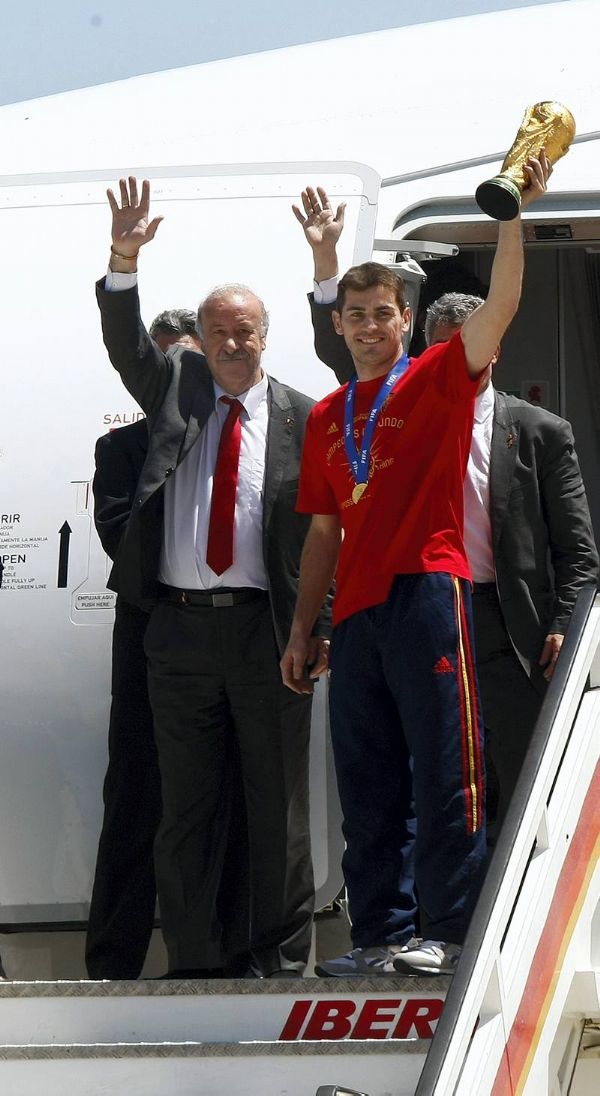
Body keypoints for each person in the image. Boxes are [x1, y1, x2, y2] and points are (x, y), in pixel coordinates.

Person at [281, 155, 551, 977]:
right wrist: (304, 630)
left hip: (431, 593)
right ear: (339, 326)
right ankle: (379, 934)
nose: (367, 326)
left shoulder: (437, 381)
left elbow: (501, 306)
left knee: (447, 767)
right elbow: (323, 532)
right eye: (353, 314)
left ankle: (449, 929)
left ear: (408, 321)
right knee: (368, 781)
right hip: (356, 613)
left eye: (382, 314)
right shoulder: (329, 413)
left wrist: (511, 214)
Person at [299, 186, 599, 835]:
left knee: (518, 794)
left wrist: (564, 630)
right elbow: (341, 352)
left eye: (459, 349)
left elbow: (577, 550)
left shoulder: (538, 430)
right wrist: (325, 265)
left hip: (502, 626)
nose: (446, 363)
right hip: (417, 615)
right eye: (434, 350)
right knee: (436, 786)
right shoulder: (399, 409)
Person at [95, 176, 330, 979]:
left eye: (246, 331)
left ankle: (279, 960)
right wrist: (124, 259)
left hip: (269, 635)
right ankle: (195, 962)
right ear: (198, 338)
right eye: (219, 332)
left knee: (279, 811)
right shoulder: (175, 393)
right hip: (181, 635)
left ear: (268, 338)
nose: (233, 344)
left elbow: (325, 534)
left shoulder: (304, 415)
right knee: (184, 811)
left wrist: (315, 625)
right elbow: (126, 342)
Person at [86, 309, 203, 981]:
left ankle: (209, 959)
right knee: (134, 799)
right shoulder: (122, 450)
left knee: (215, 801)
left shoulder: (237, 439)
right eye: (159, 363)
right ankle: (112, 962)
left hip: (222, 638)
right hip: (150, 636)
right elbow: (120, 543)